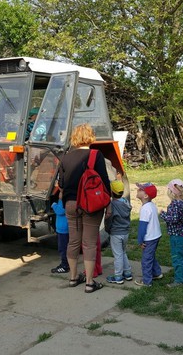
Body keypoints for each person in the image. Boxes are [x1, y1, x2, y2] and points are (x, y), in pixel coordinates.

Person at [58, 123, 110, 293]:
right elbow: (104, 182)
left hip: (71, 204)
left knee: (73, 241)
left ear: (74, 138)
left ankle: (73, 278)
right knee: (88, 244)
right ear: (90, 136)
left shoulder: (65, 157)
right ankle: (89, 282)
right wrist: (108, 203)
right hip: (90, 205)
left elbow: (61, 184)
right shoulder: (95, 155)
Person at [160, 179, 183, 288]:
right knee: (181, 256)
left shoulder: (174, 204)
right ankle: (181, 275)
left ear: (171, 192)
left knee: (176, 258)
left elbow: (173, 219)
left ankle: (179, 280)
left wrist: (163, 214)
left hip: (176, 236)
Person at [134, 182, 163, 287]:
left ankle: (147, 281)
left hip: (149, 238)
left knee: (146, 260)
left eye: (140, 189)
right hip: (156, 236)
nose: (137, 190)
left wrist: (140, 240)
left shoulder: (145, 209)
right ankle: (157, 273)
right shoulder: (152, 205)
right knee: (150, 256)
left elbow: (142, 227)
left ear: (145, 195)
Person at [105, 180, 133, 284]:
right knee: (123, 252)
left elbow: (109, 219)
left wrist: (108, 229)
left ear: (111, 192)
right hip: (125, 232)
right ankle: (127, 272)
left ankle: (118, 276)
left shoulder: (112, 205)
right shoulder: (126, 202)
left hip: (116, 233)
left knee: (118, 255)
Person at [50, 191, 69, 274]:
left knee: (62, 248)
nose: (59, 194)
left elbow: (60, 211)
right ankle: (67, 263)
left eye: (60, 192)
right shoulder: (65, 201)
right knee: (65, 247)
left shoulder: (63, 201)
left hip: (63, 229)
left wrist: (53, 204)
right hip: (64, 228)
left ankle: (64, 265)